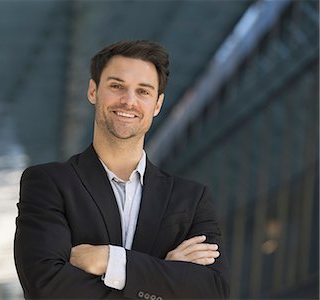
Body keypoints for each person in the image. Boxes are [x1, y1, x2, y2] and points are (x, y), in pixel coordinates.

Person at [14, 40, 230, 299]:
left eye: (143, 91)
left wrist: (112, 260)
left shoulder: (191, 199)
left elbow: (213, 291)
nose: (129, 101)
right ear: (93, 91)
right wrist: (166, 272)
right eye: (117, 86)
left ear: (158, 104)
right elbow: (46, 287)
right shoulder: (49, 183)